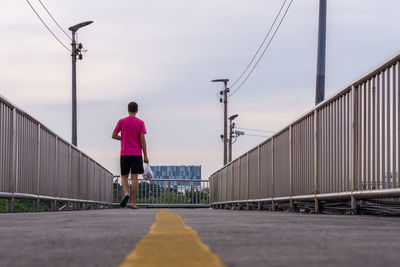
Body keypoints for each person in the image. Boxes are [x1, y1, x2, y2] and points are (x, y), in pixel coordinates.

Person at [112, 102, 149, 208]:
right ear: (137, 110)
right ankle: (133, 203)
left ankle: (126, 193)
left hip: (124, 154)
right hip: (137, 154)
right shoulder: (140, 123)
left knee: (124, 176)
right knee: (134, 178)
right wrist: (145, 156)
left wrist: (123, 138)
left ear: (128, 109)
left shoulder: (122, 121)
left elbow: (113, 135)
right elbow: (142, 140)